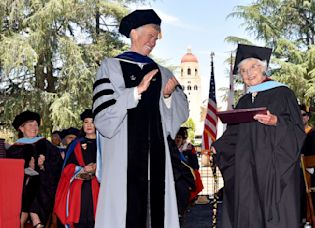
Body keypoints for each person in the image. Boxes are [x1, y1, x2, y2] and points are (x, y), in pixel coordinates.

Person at [92, 9, 189, 228]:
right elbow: (104, 119)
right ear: (134, 33)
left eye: (157, 37)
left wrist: (167, 97)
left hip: (157, 162)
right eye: (151, 35)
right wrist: (135, 92)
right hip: (123, 163)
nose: (154, 42)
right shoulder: (111, 67)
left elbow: (179, 117)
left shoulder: (162, 72)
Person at [212, 44, 305, 227]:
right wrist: (219, 145)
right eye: (243, 71)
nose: (248, 74)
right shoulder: (244, 100)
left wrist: (276, 121)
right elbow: (234, 132)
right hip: (247, 167)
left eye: (252, 67)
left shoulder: (283, 93)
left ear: (263, 68)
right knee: (248, 208)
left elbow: (297, 129)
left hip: (273, 167)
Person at [6, 110, 63, 228]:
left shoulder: (46, 144)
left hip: (46, 184)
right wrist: (26, 168)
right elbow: (11, 172)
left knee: (35, 182)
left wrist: (43, 165)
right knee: (30, 183)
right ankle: (35, 220)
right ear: (21, 128)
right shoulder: (15, 148)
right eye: (30, 124)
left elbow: (57, 164)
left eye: (36, 124)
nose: (34, 127)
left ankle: (27, 221)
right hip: (21, 187)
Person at [54, 109, 100, 228]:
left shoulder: (105, 142)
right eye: (86, 122)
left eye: (92, 122)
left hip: (100, 185)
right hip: (78, 186)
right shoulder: (75, 144)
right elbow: (67, 168)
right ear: (82, 125)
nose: (89, 125)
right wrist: (82, 169)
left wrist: (98, 166)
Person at [174, 127, 203, 217]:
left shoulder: (189, 150)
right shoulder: (171, 149)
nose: (177, 139)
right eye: (176, 137)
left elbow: (195, 166)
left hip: (186, 178)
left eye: (179, 137)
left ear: (183, 139)